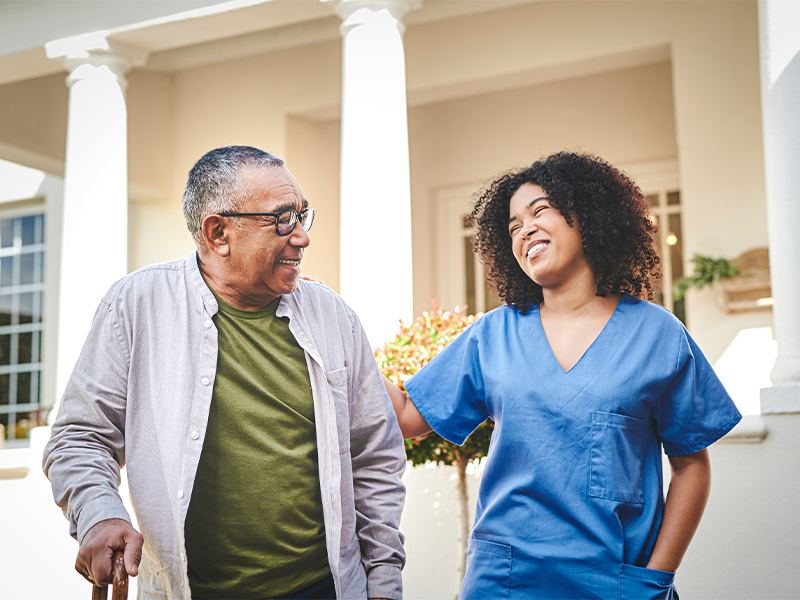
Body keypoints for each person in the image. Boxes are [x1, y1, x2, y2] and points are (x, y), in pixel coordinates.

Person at [44, 146, 406, 600]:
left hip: (323, 588)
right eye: (281, 219)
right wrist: (99, 511)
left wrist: (385, 583)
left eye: (302, 215)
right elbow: (80, 436)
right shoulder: (136, 306)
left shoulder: (335, 317)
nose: (302, 237)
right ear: (218, 233)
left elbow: (374, 455)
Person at [384, 151, 741, 599]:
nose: (524, 230)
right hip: (505, 582)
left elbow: (691, 465)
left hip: (619, 583)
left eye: (539, 211)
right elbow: (405, 417)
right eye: (513, 227)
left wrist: (656, 577)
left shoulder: (658, 335)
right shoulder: (493, 334)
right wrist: (338, 331)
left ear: (586, 216)